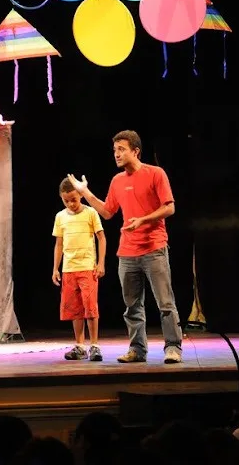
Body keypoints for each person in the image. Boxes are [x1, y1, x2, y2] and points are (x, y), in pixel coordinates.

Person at [68, 130, 183, 364]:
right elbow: (108, 212)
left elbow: (169, 207)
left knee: (165, 303)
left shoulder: (155, 174)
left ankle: (173, 348)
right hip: (127, 253)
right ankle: (138, 350)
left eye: (121, 149)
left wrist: (143, 220)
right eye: (114, 151)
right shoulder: (117, 181)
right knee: (132, 307)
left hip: (154, 248)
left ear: (135, 151)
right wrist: (85, 192)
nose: (117, 154)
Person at [52, 177, 106, 361]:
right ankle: (80, 345)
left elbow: (101, 238)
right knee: (75, 309)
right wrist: (55, 268)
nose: (70, 204)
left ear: (80, 196)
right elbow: (59, 244)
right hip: (69, 269)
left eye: (74, 199)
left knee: (90, 308)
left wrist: (101, 263)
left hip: (87, 268)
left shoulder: (90, 213)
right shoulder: (60, 216)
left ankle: (94, 345)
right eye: (66, 200)